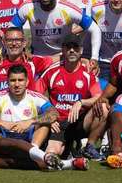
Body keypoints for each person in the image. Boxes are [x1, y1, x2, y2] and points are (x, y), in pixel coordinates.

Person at [41, 33, 107, 161]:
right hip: (59, 122)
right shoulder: (51, 72)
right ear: (63, 50)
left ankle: (89, 147)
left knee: (103, 107)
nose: (72, 50)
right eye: (68, 47)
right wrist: (49, 116)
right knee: (52, 153)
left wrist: (81, 102)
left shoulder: (88, 73)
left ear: (81, 50)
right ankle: (69, 149)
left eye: (75, 47)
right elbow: (39, 97)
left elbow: (98, 96)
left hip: (80, 121)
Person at [11, 0, 101, 60]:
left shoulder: (67, 8)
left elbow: (95, 29)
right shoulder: (27, 7)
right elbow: (11, 28)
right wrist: (22, 50)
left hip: (62, 57)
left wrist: (94, 58)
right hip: (37, 56)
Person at [0, 65, 58, 147]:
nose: (17, 84)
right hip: (5, 136)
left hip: (29, 136)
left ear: (27, 82)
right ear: (7, 82)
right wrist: (3, 123)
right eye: (13, 80)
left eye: (20, 80)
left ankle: (33, 149)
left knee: (44, 124)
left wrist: (29, 122)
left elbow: (54, 113)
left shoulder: (36, 97)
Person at [0, 27, 53, 93]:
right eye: (10, 40)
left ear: (24, 43)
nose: (14, 44)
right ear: (4, 42)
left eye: (18, 40)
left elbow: (56, 59)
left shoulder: (32, 61)